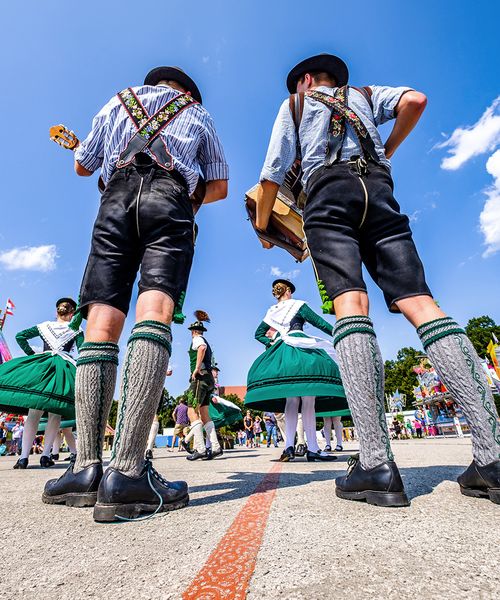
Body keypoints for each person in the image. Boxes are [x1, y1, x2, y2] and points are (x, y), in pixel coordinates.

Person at [256, 53, 500, 506]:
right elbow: (416, 100)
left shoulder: (295, 104)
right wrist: (385, 150)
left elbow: (272, 173)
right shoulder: (365, 95)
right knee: (422, 303)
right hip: (379, 189)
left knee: (351, 305)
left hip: (327, 193)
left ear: (305, 80)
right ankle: (493, 457)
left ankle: (376, 465)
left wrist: (263, 226)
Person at [42, 66, 228, 522]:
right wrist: (186, 199)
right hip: (170, 199)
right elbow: (219, 186)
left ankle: (85, 469)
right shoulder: (198, 113)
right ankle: (127, 472)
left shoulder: (118, 99)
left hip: (115, 199)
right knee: (155, 311)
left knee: (100, 325)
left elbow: (83, 164)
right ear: (187, 92)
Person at [246, 279, 347, 462]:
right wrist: (340, 332)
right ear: (289, 292)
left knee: (291, 401)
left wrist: (273, 342)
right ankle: (313, 449)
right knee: (308, 399)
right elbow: (319, 323)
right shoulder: (298, 305)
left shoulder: (272, 311)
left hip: (284, 352)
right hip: (301, 351)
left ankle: (288, 448)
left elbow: (258, 334)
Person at [0, 298, 83, 469]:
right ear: (72, 313)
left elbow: (20, 336)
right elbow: (83, 350)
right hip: (62, 369)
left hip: (42, 367)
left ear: (57, 312)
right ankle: (45, 456)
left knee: (34, 411)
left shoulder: (45, 326)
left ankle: (23, 458)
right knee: (55, 412)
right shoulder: (76, 329)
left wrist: (32, 355)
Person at [185, 312, 223, 461]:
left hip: (200, 378)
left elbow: (202, 348)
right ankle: (216, 447)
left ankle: (200, 448)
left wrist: (196, 368)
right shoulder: (203, 338)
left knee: (191, 411)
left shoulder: (197, 339)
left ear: (194, 331)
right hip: (209, 379)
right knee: (204, 413)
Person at [145, 364, 173, 459]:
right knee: (154, 415)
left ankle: (147, 447)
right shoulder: (165, 355)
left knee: (148, 415)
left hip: (146, 386)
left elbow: (169, 372)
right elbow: (169, 372)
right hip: (157, 386)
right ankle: (149, 448)